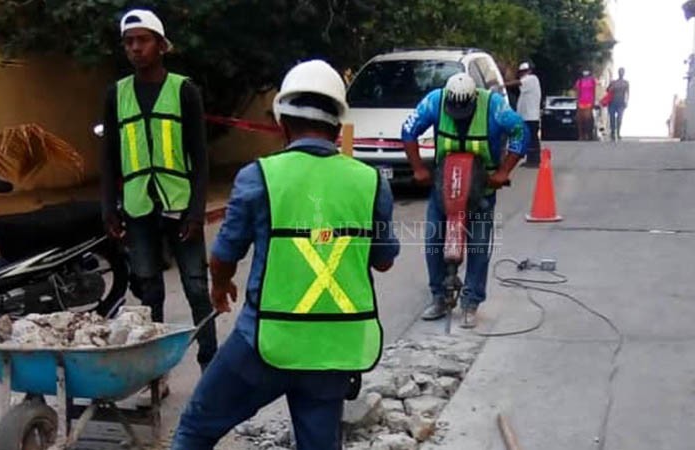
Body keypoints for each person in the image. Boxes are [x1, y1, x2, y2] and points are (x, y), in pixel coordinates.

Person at [172, 60, 400, 450]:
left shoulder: (258, 176)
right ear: (338, 124)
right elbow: (383, 259)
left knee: (195, 429)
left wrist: (221, 285)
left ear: (282, 123)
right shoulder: (371, 182)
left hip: (264, 343)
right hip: (334, 349)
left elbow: (223, 255)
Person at [100, 9, 218, 390]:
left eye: (143, 39)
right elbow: (108, 157)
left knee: (197, 288)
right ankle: (156, 375)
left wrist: (197, 211)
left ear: (161, 45)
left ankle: (209, 368)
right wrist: (108, 208)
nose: (136, 47)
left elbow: (200, 158)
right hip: (137, 206)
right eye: (129, 41)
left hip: (180, 204)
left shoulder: (184, 90)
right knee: (149, 291)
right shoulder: (115, 94)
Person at [402, 73, 527, 329]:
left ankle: (471, 301)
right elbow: (408, 129)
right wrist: (418, 168)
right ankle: (440, 296)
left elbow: (519, 131)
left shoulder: (494, 106)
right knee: (434, 242)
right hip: (443, 185)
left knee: (479, 246)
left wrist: (503, 172)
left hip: (481, 189)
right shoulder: (435, 101)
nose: (459, 113)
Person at [502, 62, 542, 166]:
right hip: (525, 116)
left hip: (531, 116)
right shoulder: (526, 83)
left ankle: (535, 160)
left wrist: (501, 84)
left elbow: (517, 83)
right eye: (521, 72)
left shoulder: (532, 78)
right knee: (527, 138)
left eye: (524, 72)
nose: (523, 74)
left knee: (533, 138)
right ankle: (530, 159)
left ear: (529, 71)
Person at [607, 67, 630, 141]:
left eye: (622, 72)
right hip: (612, 103)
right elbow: (607, 90)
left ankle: (618, 133)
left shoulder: (626, 83)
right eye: (620, 72)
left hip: (621, 103)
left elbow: (628, 93)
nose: (621, 73)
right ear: (618, 73)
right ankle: (613, 133)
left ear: (624, 73)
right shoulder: (613, 82)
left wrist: (626, 102)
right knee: (612, 118)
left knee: (619, 119)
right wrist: (612, 87)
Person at [574, 70, 597, 141]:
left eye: (587, 75)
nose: (586, 77)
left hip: (589, 103)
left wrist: (593, 101)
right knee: (580, 120)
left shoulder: (592, 81)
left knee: (588, 120)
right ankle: (581, 135)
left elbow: (594, 91)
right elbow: (577, 92)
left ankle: (588, 135)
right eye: (585, 76)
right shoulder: (579, 82)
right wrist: (577, 102)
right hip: (581, 103)